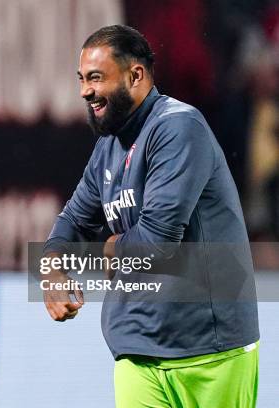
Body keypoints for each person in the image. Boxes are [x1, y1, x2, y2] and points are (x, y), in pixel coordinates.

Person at [43, 25, 259, 407]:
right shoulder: (106, 149)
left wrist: (109, 250)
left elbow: (158, 244)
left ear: (135, 75)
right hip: (137, 350)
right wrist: (52, 270)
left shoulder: (178, 127)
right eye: (81, 79)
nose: (84, 91)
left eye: (95, 78)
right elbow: (72, 222)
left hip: (210, 351)